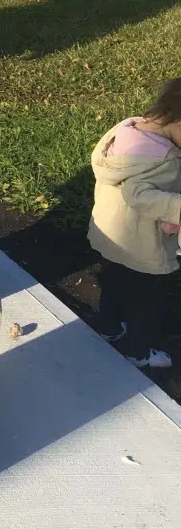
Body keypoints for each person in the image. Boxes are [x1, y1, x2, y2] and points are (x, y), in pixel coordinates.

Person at [88, 77, 181, 368]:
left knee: (114, 282)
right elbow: (138, 194)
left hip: (112, 235)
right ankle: (136, 351)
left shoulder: (127, 132)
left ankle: (108, 328)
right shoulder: (163, 157)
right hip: (143, 244)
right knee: (147, 299)